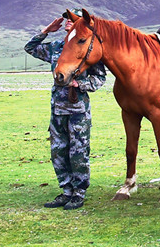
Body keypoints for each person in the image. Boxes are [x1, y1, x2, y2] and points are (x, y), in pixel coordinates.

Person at [24, 14, 107, 210]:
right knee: (58, 151)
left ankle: (79, 193)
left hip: (78, 110)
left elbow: (100, 77)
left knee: (78, 152)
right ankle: (66, 191)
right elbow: (30, 48)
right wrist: (46, 31)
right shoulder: (56, 47)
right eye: (68, 20)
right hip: (58, 110)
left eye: (74, 19)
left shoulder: (88, 48)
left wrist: (81, 84)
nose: (69, 22)